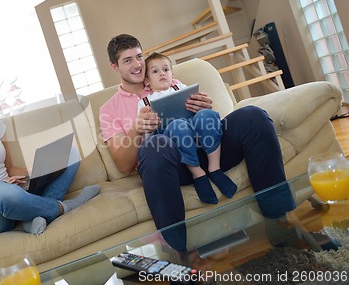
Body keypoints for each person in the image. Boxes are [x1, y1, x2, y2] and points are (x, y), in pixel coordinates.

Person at [99, 34, 295, 251]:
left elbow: (210, 124)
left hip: (210, 151)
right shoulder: (109, 109)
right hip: (174, 167)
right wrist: (136, 130)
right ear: (114, 67)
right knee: (156, 146)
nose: (137, 65)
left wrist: (205, 107)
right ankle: (182, 253)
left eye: (139, 56)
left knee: (253, 116)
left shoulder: (169, 80)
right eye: (128, 61)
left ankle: (279, 220)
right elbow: (123, 166)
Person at [0, 62, 100, 238]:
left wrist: (37, 172)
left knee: (70, 154)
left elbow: (10, 169)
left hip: (15, 195)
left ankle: (31, 217)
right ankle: (63, 207)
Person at [137, 52, 237, 204]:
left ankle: (215, 168)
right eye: (155, 71)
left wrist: (200, 105)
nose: (162, 73)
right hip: (172, 134)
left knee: (206, 115)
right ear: (147, 80)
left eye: (166, 69)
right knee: (178, 125)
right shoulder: (145, 101)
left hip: (195, 127)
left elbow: (200, 108)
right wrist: (150, 125)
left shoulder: (181, 87)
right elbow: (148, 135)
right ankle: (198, 174)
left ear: (172, 74)